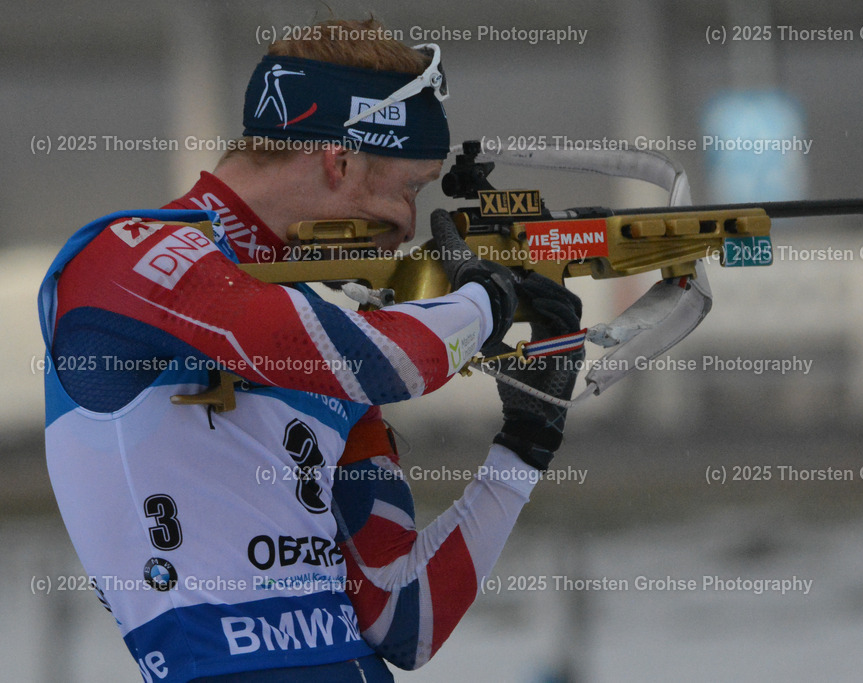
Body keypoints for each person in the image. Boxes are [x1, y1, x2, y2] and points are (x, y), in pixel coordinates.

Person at [38, 18, 583, 682]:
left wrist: (526, 442)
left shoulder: (322, 333)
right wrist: (489, 299)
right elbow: (388, 362)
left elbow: (407, 619)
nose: (410, 223)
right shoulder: (124, 254)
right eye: (409, 188)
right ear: (341, 160)